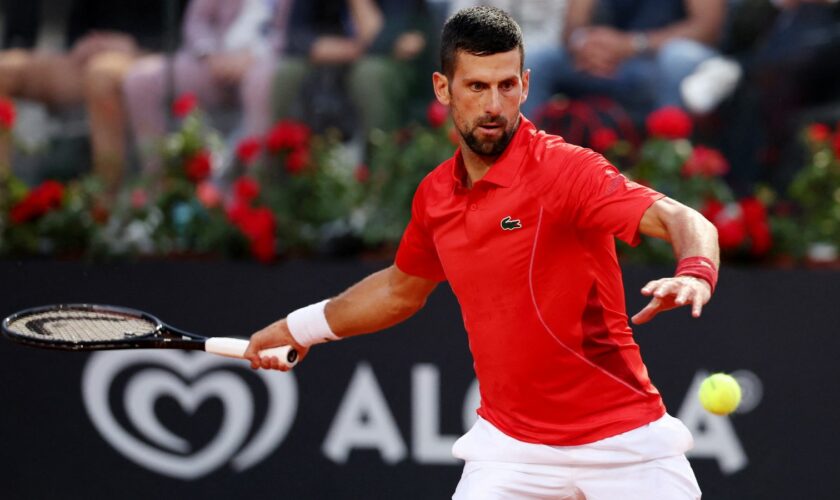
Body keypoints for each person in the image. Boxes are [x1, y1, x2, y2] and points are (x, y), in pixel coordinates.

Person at [246, 6, 718, 499]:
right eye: (476, 87)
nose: (494, 104)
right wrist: (295, 329)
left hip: (626, 442)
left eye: (506, 85)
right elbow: (397, 291)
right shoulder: (434, 196)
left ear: (525, 85)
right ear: (442, 88)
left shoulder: (567, 171)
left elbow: (683, 218)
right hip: (510, 451)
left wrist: (695, 272)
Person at [0, 0, 189, 189]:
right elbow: (78, 24)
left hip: (146, 56)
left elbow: (188, 29)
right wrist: (84, 42)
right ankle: (4, 199)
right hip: (87, 56)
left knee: (100, 76)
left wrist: (135, 45)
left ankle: (107, 205)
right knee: (4, 71)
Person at [123, 0, 293, 171]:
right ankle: (158, 184)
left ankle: (252, 187)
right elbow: (197, 21)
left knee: (261, 82)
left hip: (268, 63)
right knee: (140, 81)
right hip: (214, 61)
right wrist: (210, 54)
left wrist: (254, 56)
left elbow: (294, 27)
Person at [522, 0, 728, 119]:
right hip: (605, 62)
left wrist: (632, 45)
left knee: (678, 58)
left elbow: (707, 28)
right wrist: (584, 45)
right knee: (537, 61)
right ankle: (522, 167)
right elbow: (573, 27)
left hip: (659, 63)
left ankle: (668, 176)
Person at [270, 0, 431, 138]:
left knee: (370, 74)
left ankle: (378, 167)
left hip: (393, 68)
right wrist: (353, 49)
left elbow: (381, 38)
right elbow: (294, 36)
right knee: (287, 72)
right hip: (336, 53)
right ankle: (285, 162)